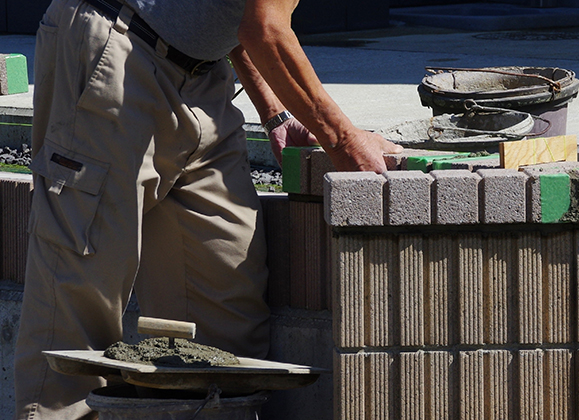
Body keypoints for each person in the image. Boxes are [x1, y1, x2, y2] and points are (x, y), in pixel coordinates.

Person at [14, 0, 402, 417]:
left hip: (201, 76)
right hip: (116, 47)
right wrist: (343, 141)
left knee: (224, 300)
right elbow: (264, 28)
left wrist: (276, 112)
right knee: (81, 291)